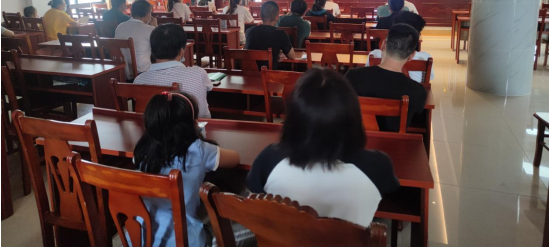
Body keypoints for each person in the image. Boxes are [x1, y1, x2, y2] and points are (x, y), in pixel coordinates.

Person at [247, 68, 399, 228]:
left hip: (284, 239)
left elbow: (254, 197)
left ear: (293, 118)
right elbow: (390, 191)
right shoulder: (378, 165)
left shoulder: (269, 158)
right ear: (354, 117)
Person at [134, 92, 240, 247]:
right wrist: (199, 136)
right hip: (185, 240)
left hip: (139, 238)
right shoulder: (199, 150)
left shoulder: (141, 152)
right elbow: (235, 158)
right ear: (192, 123)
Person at [345, 24, 427, 132]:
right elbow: (418, 113)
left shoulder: (353, 76)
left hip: (355, 138)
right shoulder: (418, 91)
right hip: (391, 142)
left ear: (383, 44)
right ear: (411, 56)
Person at [134, 24, 213, 118]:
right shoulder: (199, 73)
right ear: (181, 51)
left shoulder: (139, 80)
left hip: (154, 126)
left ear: (152, 51)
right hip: (196, 125)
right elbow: (208, 91)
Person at [367, 11, 434, 83]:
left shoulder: (374, 54)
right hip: (412, 90)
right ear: (418, 35)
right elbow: (428, 80)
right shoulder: (425, 57)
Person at [245, 1, 295, 70]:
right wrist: (277, 55)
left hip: (249, 74)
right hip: (268, 75)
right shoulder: (281, 33)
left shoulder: (249, 31)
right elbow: (292, 56)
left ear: (260, 15)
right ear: (277, 17)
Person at [115, 0, 157, 77]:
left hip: (124, 70)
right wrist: (155, 27)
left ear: (131, 11)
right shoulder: (150, 29)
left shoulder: (120, 27)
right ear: (148, 14)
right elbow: (159, 49)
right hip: (143, 72)